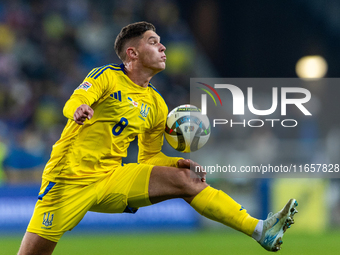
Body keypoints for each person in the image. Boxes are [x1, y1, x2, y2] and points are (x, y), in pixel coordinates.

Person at [18, 21, 298, 255]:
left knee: (187, 181)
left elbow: (149, 157)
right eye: (153, 42)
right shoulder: (106, 76)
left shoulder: (157, 104)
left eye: (161, 42)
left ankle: (260, 229)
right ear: (133, 53)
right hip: (69, 179)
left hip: (112, 176)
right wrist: (78, 109)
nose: (163, 47)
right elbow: (76, 99)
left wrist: (177, 163)